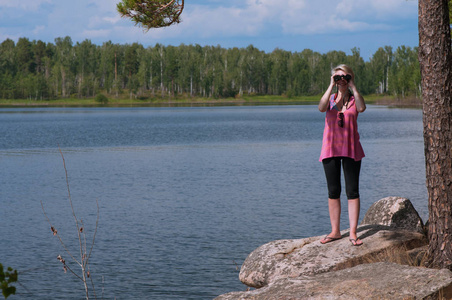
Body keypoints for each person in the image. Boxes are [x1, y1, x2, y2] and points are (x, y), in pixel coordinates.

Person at [318, 64, 366, 246]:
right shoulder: (329, 99)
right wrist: (331, 84)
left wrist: (353, 87)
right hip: (330, 148)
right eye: (338, 77)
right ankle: (335, 231)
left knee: (352, 191)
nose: (342, 80)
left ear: (350, 78)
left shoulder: (355, 99)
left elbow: (362, 108)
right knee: (333, 191)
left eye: (345, 77)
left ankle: (353, 232)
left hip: (351, 149)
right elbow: (321, 108)